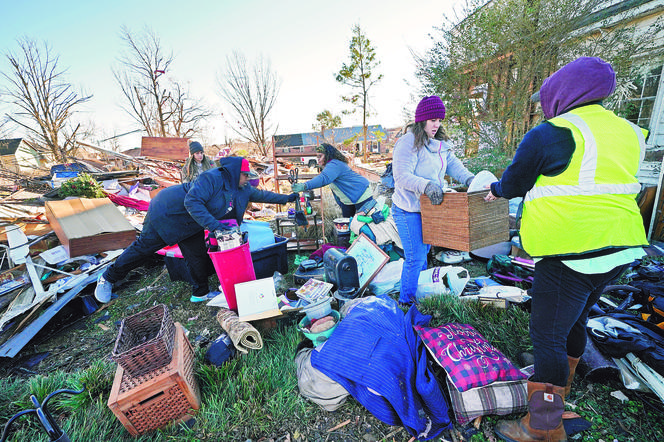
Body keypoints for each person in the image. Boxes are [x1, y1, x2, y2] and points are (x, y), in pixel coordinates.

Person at [486, 57, 648, 442]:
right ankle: (561, 388)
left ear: (560, 95)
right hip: (619, 249)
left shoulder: (551, 132)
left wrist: (494, 189)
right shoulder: (628, 132)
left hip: (571, 253)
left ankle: (543, 426)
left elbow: (512, 183)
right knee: (573, 322)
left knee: (547, 338)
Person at [95, 157, 298, 304]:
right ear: (235, 173)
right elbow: (192, 201)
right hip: (168, 212)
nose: (248, 179)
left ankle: (199, 292)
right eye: (245, 175)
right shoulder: (211, 179)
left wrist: (288, 198)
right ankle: (108, 277)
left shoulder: (241, 187)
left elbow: (262, 195)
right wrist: (215, 226)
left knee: (196, 254)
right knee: (143, 249)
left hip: (192, 222)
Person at [391, 96, 475, 306]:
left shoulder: (440, 144)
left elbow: (455, 166)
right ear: (421, 120)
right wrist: (427, 185)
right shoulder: (408, 142)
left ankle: (418, 294)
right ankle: (406, 303)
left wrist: (472, 180)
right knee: (415, 257)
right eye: (432, 120)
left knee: (424, 255)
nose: (436, 125)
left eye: (439, 120)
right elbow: (401, 176)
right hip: (407, 209)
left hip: (429, 210)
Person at [291, 143, 374, 217]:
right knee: (347, 226)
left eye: (320, 156)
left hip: (361, 193)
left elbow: (323, 179)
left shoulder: (334, 164)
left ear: (327, 155)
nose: (318, 159)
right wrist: (341, 203)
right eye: (317, 157)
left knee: (363, 225)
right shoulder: (331, 165)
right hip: (349, 200)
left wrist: (305, 186)